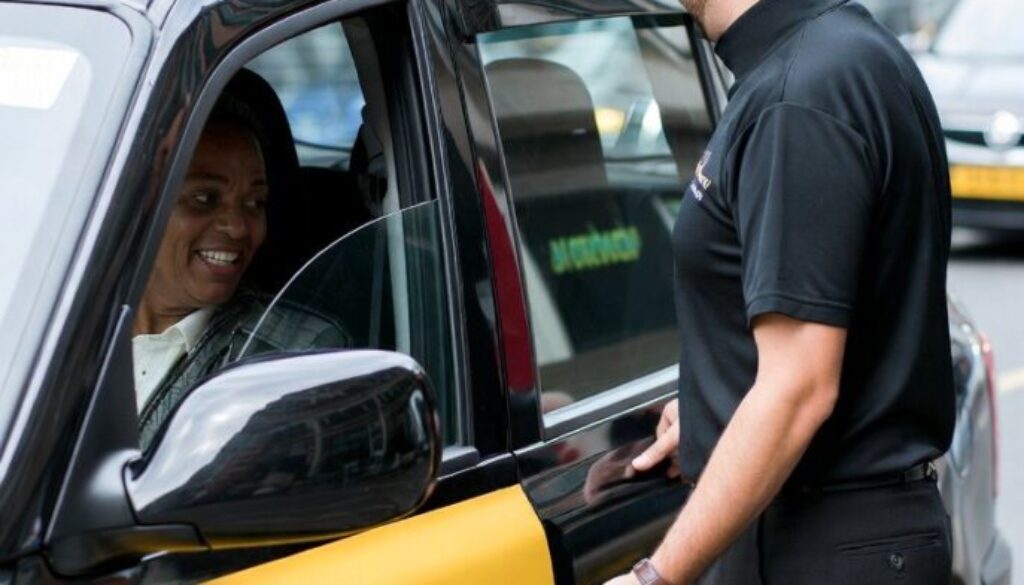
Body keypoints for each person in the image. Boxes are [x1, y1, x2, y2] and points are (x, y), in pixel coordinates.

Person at [605, 0, 954, 583]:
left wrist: (653, 578)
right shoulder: (832, 55)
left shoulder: (801, 93)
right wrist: (715, 408)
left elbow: (798, 388)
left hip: (819, 544)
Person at [133, 74, 349, 450]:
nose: (237, 227)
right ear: (142, 203)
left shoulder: (295, 354)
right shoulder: (53, 323)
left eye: (255, 204)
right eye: (204, 198)